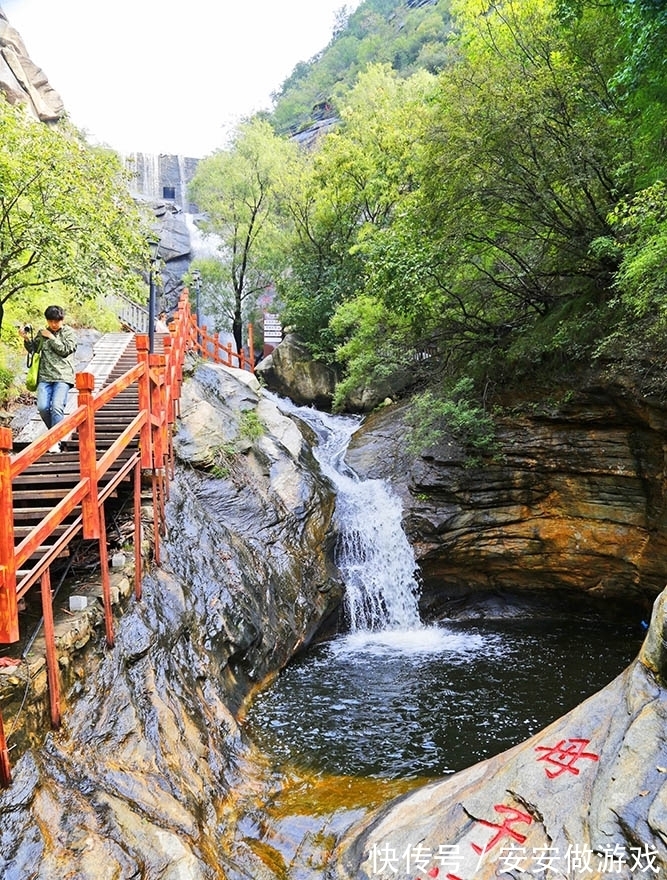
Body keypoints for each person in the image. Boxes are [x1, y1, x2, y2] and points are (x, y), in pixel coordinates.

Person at [20, 305, 77, 452]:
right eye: (51, 321)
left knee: (57, 407)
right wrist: (26, 338)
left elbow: (65, 350)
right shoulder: (42, 333)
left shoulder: (69, 333)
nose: (54, 324)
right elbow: (33, 349)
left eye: (57, 321)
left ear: (62, 320)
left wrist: (52, 338)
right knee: (43, 407)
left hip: (62, 376)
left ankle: (54, 441)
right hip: (44, 376)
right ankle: (56, 435)